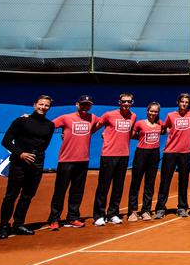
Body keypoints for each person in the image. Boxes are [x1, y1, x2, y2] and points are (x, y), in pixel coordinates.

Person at [0, 94, 55, 238]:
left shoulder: (50, 125)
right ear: (34, 105)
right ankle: (4, 226)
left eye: (46, 105)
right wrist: (21, 153)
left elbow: (44, 144)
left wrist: (37, 157)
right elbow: (6, 141)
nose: (43, 107)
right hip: (19, 163)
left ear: (49, 108)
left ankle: (18, 224)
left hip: (36, 164)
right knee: (11, 195)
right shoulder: (21, 121)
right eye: (41, 104)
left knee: (27, 196)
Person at [48, 95, 98, 229]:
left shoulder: (92, 118)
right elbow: (48, 126)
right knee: (60, 190)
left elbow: (100, 124)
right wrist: (29, 118)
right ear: (77, 104)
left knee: (77, 191)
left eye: (88, 105)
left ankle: (73, 217)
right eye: (83, 104)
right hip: (66, 160)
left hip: (83, 160)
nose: (85, 107)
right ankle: (54, 219)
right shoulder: (66, 118)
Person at [92, 93, 138, 226]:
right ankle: (99, 215)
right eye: (124, 101)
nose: (126, 104)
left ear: (132, 103)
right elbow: (95, 127)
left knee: (118, 186)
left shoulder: (133, 116)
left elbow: (129, 134)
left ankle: (113, 213)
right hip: (108, 155)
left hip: (124, 155)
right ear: (119, 102)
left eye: (129, 101)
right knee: (103, 186)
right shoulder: (109, 115)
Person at [155, 93, 190, 219]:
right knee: (165, 181)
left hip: (185, 153)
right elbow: (163, 128)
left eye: (186, 102)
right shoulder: (170, 115)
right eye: (182, 101)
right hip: (170, 152)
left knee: (183, 181)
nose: (184, 104)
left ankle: (182, 207)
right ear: (178, 102)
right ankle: (160, 208)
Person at [128, 102, 162, 221]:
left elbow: (164, 131)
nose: (153, 113)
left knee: (150, 183)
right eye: (151, 111)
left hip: (154, 154)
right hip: (141, 154)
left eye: (155, 111)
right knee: (136, 182)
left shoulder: (159, 124)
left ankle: (146, 210)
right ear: (147, 111)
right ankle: (132, 211)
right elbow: (131, 135)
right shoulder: (140, 123)